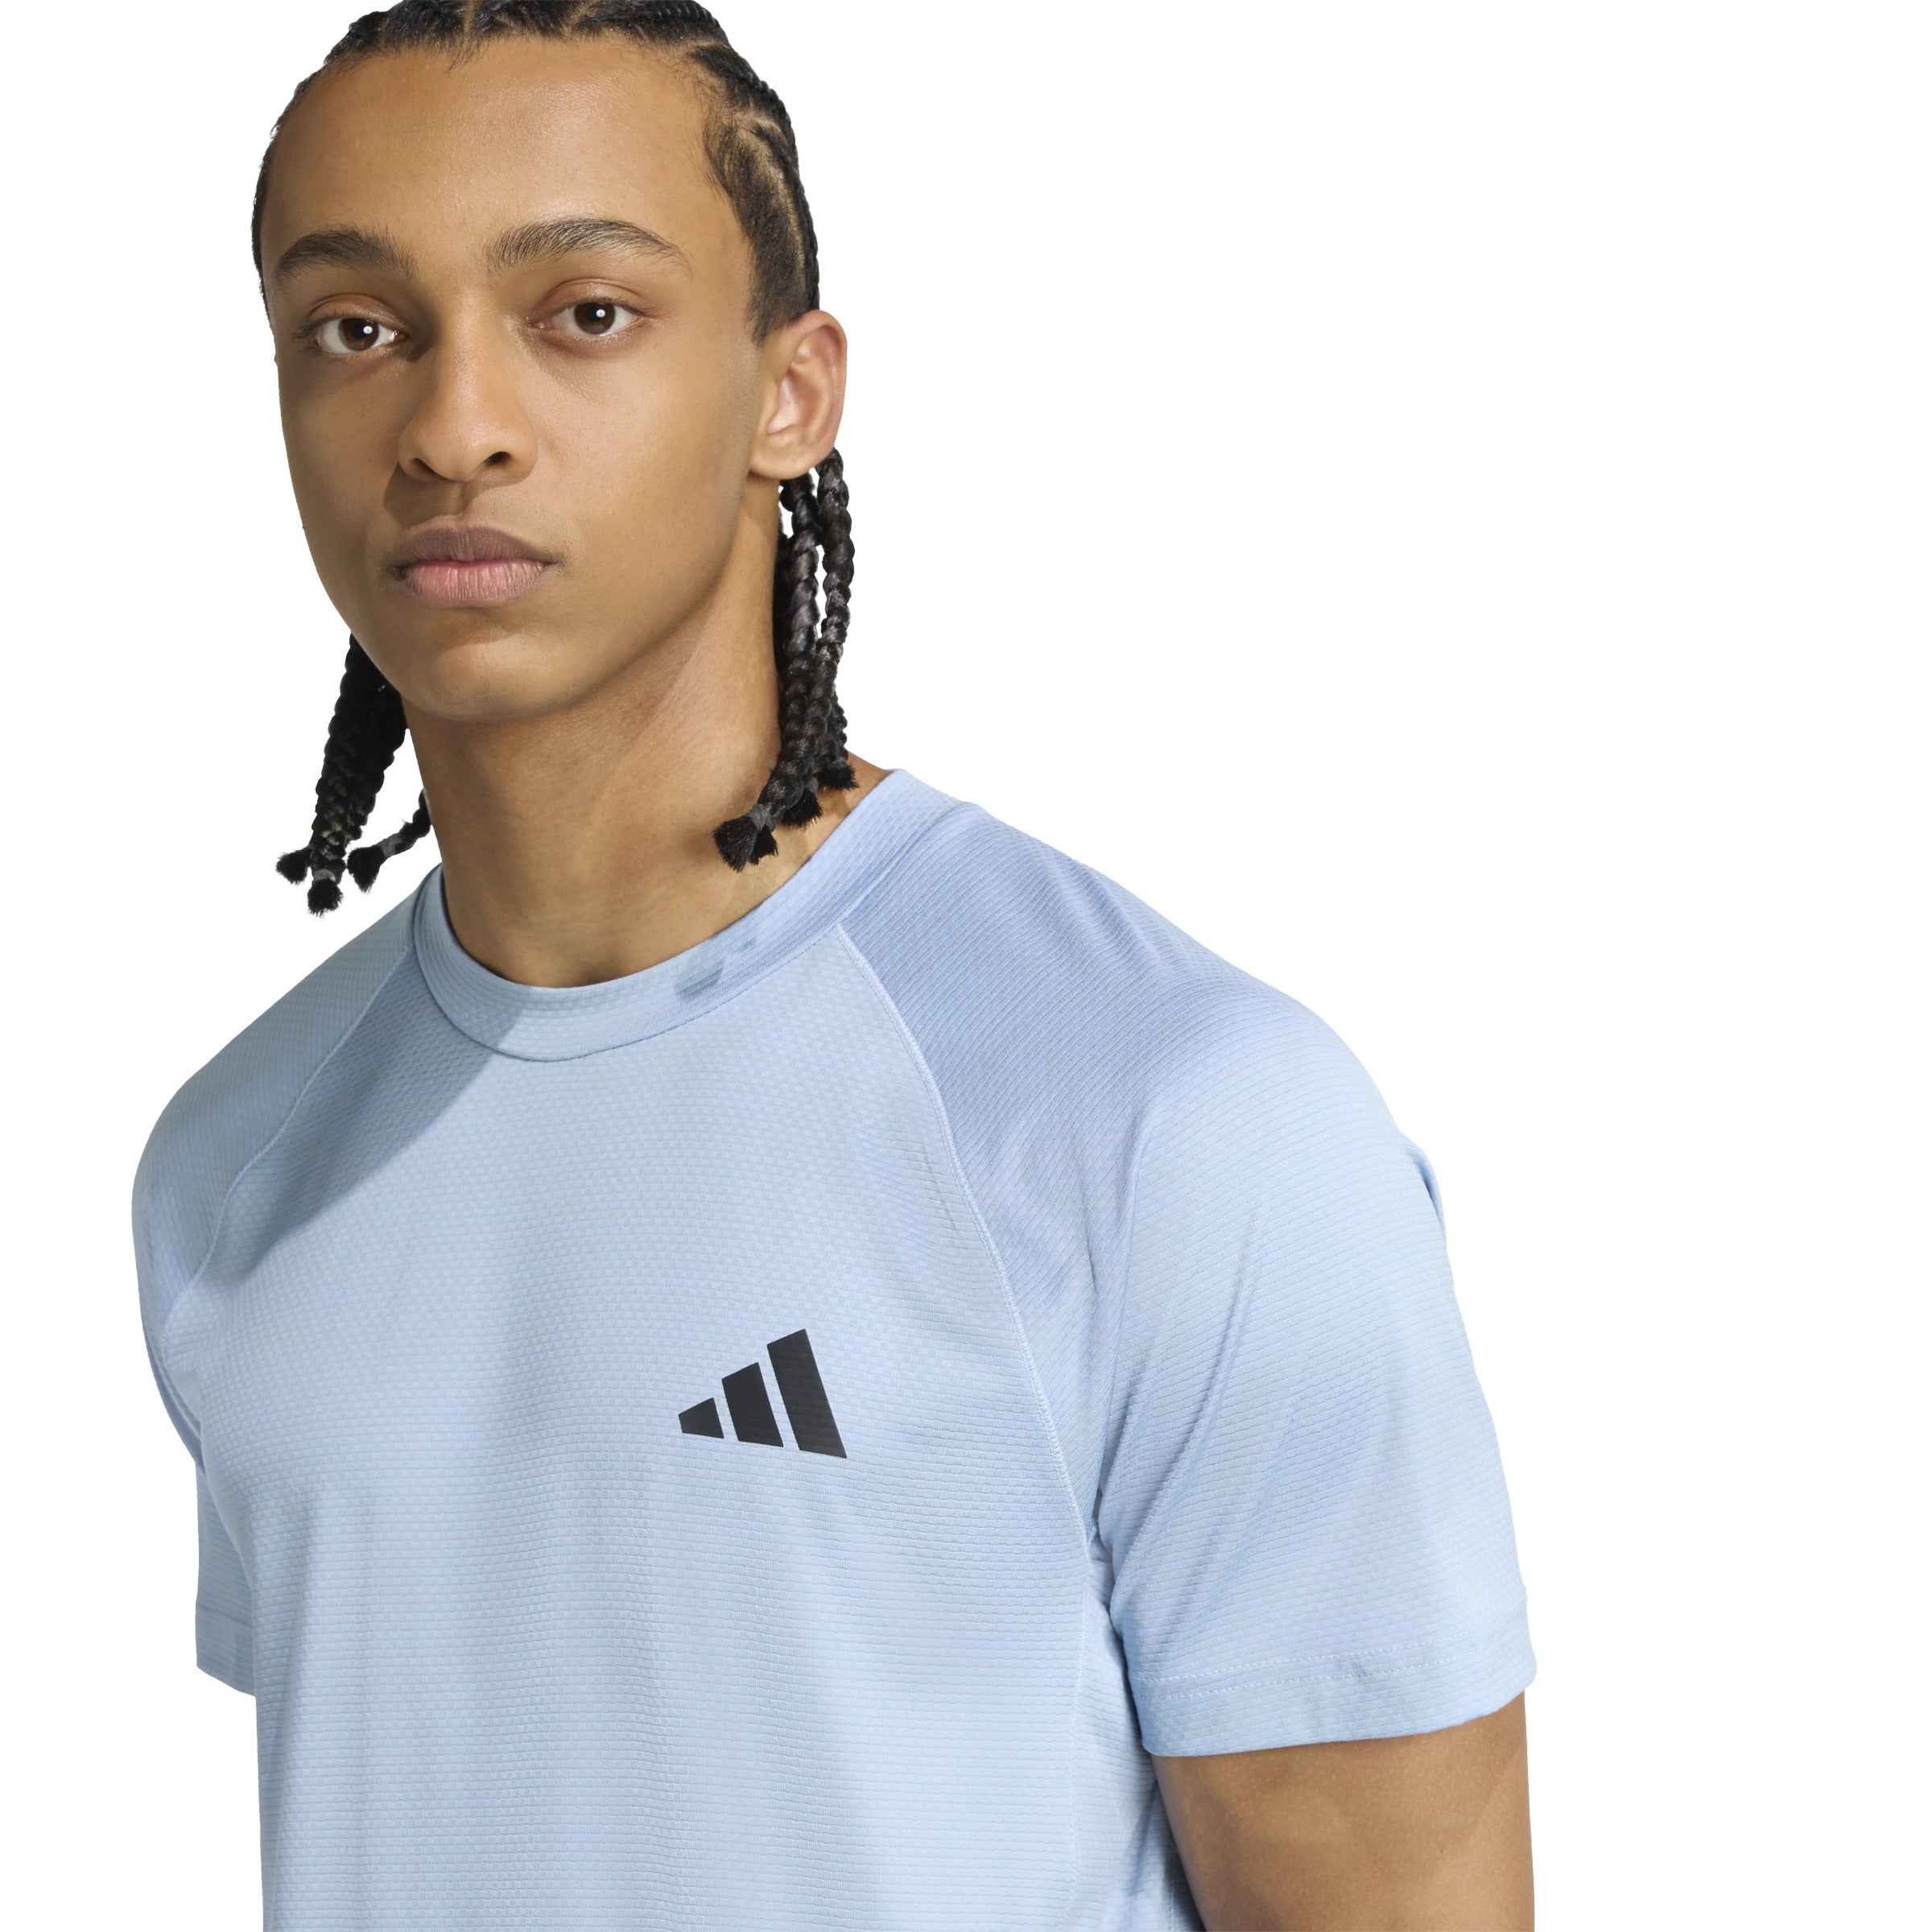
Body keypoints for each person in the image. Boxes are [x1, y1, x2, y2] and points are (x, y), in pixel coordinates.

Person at [132, 5, 1536, 1927]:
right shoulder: (236, 1163)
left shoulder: (1175, 1120)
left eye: (585, 314)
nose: (455, 426)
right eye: (357, 328)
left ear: (791, 393)